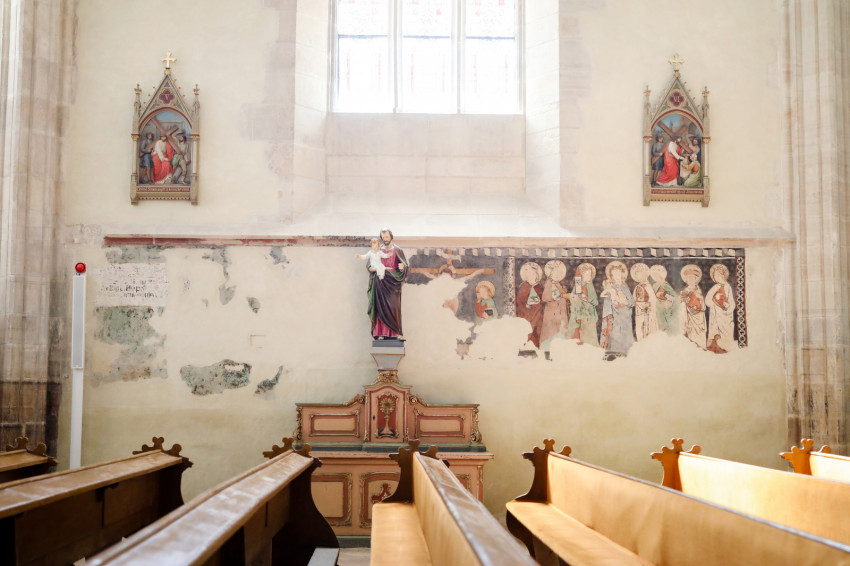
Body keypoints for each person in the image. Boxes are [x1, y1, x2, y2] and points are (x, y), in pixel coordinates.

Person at [367, 229, 408, 339]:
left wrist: (402, 267)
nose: (385, 239)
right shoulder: (377, 250)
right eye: (383, 237)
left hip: (393, 282)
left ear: (391, 237)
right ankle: (380, 333)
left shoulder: (397, 250)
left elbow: (404, 265)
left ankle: (396, 333)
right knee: (380, 308)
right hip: (380, 281)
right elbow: (370, 263)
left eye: (387, 237)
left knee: (394, 308)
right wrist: (371, 268)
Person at [599, 261, 634, 357]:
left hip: (625, 314)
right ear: (611, 276)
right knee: (615, 332)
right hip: (615, 313)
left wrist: (626, 302)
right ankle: (614, 352)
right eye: (614, 274)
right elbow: (606, 300)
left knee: (625, 333)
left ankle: (627, 352)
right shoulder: (610, 286)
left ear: (622, 274)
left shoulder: (625, 286)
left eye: (618, 273)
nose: (617, 276)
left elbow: (631, 301)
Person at [566, 263, 599, 346]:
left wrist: (587, 299)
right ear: (582, 275)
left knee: (589, 336)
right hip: (578, 313)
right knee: (577, 334)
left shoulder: (590, 285)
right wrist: (578, 297)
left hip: (589, 315)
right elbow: (574, 298)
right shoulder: (578, 284)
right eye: (587, 275)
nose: (589, 277)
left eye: (590, 275)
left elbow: (595, 301)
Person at [540, 260, 569, 351]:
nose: (557, 275)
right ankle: (548, 350)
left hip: (560, 313)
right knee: (552, 333)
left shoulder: (557, 283)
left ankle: (559, 349)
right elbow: (545, 297)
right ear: (550, 273)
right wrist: (554, 297)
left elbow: (561, 295)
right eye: (555, 273)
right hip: (552, 313)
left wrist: (563, 294)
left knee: (560, 332)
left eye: (559, 274)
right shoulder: (549, 283)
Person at [706, 264, 735, 352]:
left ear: (723, 275)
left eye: (718, 275)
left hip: (726, 314)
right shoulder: (715, 287)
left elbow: (731, 302)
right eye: (715, 275)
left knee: (727, 331)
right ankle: (716, 346)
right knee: (716, 331)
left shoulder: (728, 287)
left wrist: (727, 307)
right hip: (716, 313)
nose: (717, 277)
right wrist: (714, 304)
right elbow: (707, 300)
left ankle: (726, 346)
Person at [516, 262, 545, 348]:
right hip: (527, 313)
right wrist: (527, 305)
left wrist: (539, 303)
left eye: (534, 274)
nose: (533, 276)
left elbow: (541, 298)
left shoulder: (538, 286)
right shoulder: (524, 286)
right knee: (528, 329)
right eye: (530, 274)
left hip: (538, 313)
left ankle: (537, 346)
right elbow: (520, 300)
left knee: (538, 330)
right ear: (526, 276)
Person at [679, 265, 707, 349]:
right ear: (686, 280)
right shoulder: (685, 292)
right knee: (692, 339)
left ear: (696, 279)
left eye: (693, 278)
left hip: (700, 318)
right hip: (690, 319)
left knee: (701, 339)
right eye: (689, 278)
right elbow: (682, 307)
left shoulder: (699, 290)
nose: (691, 280)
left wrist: (699, 307)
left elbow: (703, 305)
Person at [631, 263, 658, 340]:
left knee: (648, 329)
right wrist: (639, 304)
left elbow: (653, 300)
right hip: (639, 312)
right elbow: (634, 299)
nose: (640, 277)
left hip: (649, 312)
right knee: (640, 329)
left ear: (646, 275)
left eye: (642, 274)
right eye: (638, 275)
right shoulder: (637, 287)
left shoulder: (648, 286)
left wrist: (648, 304)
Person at [649, 264, 678, 334]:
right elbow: (652, 297)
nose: (656, 278)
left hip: (667, 309)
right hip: (657, 308)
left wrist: (665, 295)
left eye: (657, 275)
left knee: (667, 325)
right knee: (659, 325)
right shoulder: (654, 286)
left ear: (661, 275)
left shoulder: (665, 285)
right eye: (654, 276)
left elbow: (674, 298)